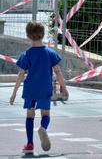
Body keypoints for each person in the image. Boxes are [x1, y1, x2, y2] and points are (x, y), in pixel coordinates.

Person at [9, 21, 69, 154]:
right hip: (45, 88)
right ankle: (43, 127)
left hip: (30, 89)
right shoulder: (50, 53)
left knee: (30, 115)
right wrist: (63, 87)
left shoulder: (26, 54)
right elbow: (58, 71)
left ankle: (30, 144)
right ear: (43, 35)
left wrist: (14, 93)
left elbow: (20, 74)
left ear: (28, 36)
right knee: (46, 114)